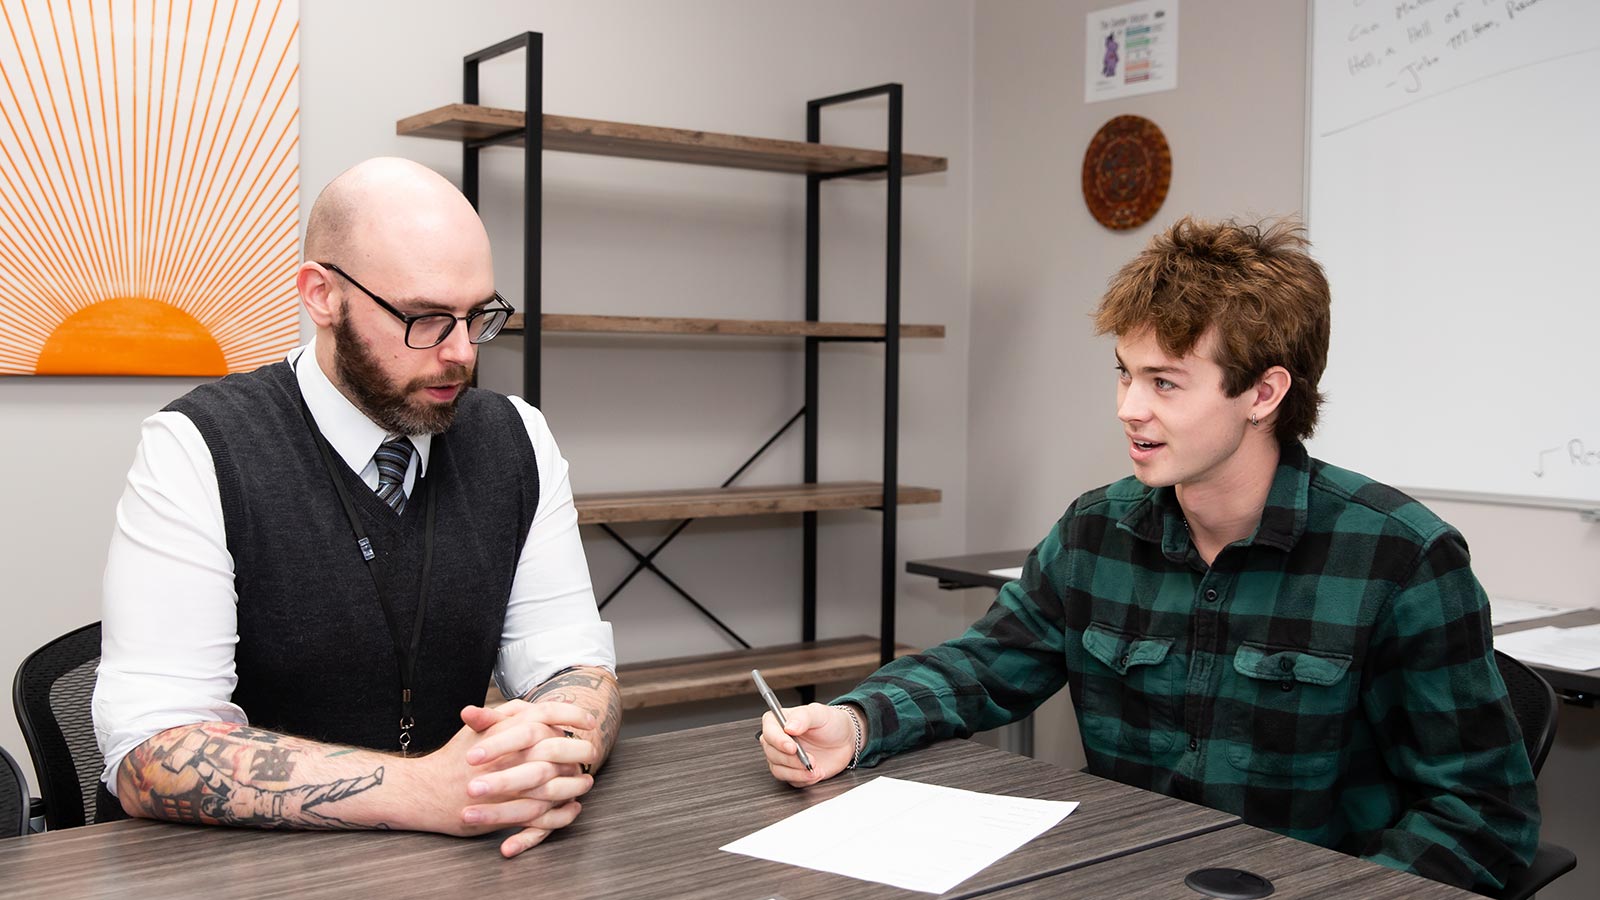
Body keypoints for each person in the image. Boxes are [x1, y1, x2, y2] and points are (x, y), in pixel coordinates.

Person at [758, 218, 1541, 892]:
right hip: (1120, 878)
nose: (1129, 409)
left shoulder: (1401, 558)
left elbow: (1483, 818)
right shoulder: (1096, 531)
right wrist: (857, 721)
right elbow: (985, 665)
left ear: (1264, 394)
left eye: (1166, 383)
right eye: (1126, 374)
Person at [92, 158, 620, 859]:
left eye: (478, 317)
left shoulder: (516, 438)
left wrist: (546, 750)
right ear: (322, 295)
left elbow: (575, 665)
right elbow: (150, 750)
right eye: (427, 319)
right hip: (239, 871)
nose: (461, 354)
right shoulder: (197, 447)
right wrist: (424, 792)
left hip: (458, 858)